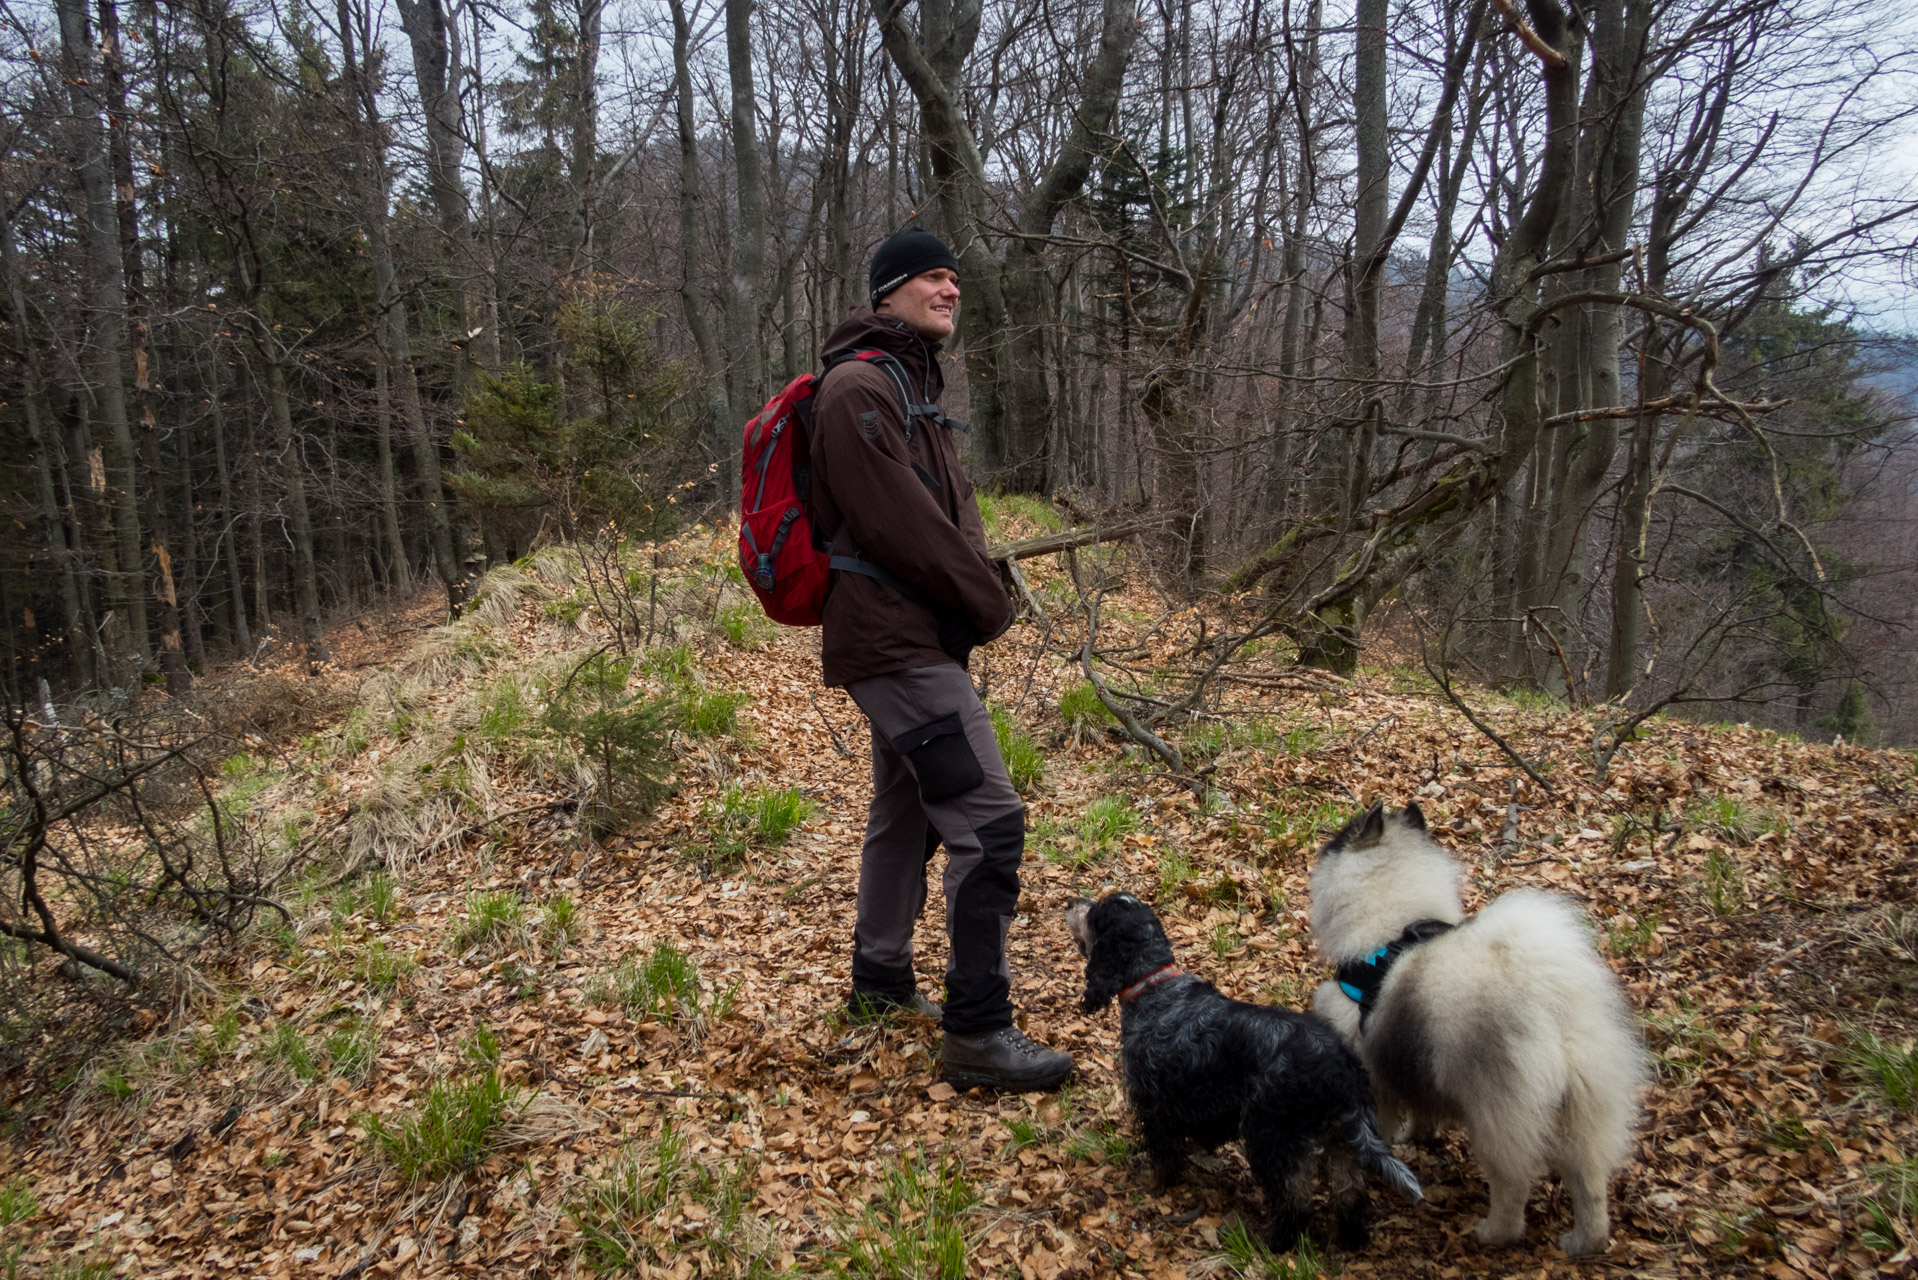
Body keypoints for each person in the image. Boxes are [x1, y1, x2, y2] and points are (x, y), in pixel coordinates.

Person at [808, 226, 1073, 1092]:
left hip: (913, 639)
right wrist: (988, 597)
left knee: (908, 813)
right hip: (895, 645)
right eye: (930, 276)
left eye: (954, 277)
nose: (949, 289)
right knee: (989, 822)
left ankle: (881, 982)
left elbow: (946, 516)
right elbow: (900, 527)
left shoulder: (907, 384)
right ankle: (979, 1030)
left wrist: (971, 590)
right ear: (886, 290)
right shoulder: (857, 391)